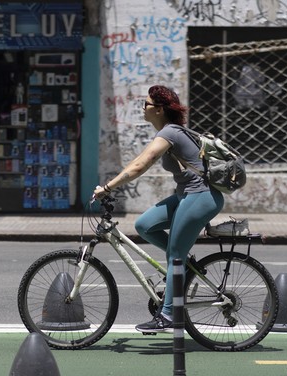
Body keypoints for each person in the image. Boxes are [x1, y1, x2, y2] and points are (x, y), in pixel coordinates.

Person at [93, 85, 225, 332]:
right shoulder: (169, 132)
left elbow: (141, 164)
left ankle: (168, 315)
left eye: (146, 104)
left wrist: (108, 187)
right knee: (144, 225)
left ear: (160, 109)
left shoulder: (171, 133)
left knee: (174, 254)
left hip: (201, 197)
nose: (143, 109)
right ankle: (183, 263)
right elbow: (138, 161)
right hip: (187, 195)